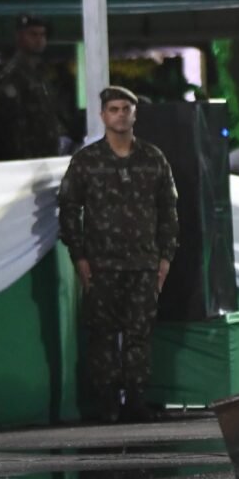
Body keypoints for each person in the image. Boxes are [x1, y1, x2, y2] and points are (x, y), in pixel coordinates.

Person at [57, 86, 179, 422]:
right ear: (102, 115)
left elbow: (168, 210)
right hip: (101, 264)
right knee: (103, 336)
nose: (120, 115)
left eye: (126, 108)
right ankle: (107, 403)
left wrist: (165, 257)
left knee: (140, 335)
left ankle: (136, 400)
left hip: (144, 263)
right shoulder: (87, 161)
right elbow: (68, 208)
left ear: (135, 114)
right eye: (114, 109)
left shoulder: (153, 159)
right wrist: (79, 256)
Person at [0, 14, 64, 159]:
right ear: (20, 37)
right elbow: (9, 125)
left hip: (46, 155)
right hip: (23, 158)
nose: (39, 40)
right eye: (33, 34)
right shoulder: (12, 75)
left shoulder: (41, 73)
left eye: (42, 35)